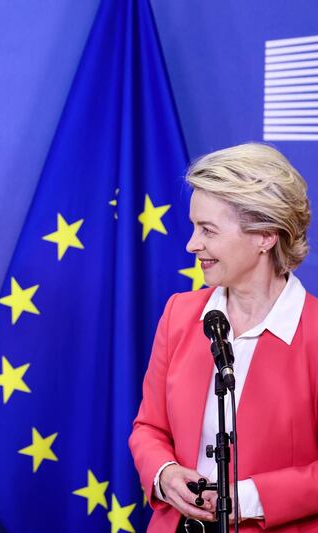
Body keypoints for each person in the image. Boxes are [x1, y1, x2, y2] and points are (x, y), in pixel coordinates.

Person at [129, 143, 318, 532]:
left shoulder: (313, 332)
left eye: (208, 230)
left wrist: (246, 499)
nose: (192, 244)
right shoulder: (180, 314)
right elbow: (148, 428)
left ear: (265, 235)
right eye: (194, 227)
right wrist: (163, 474)